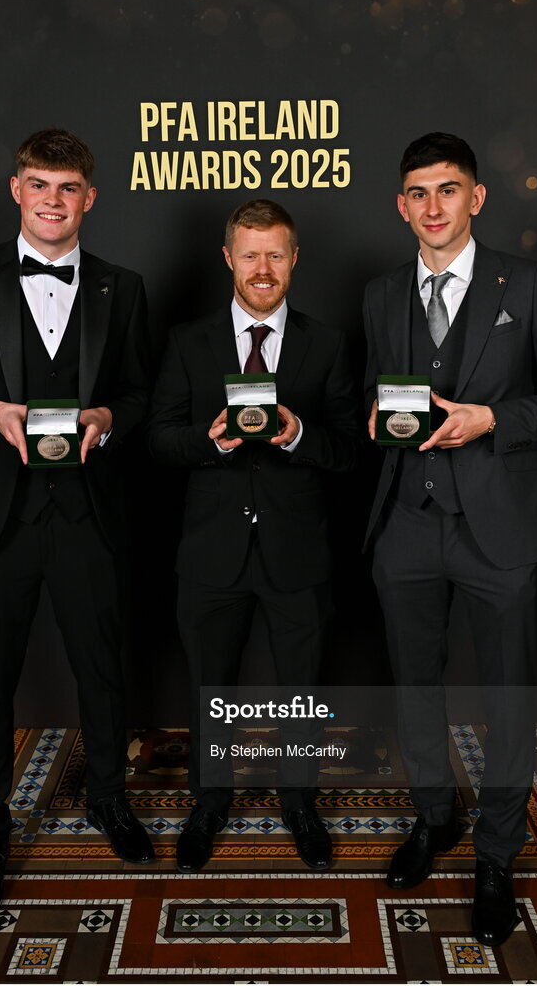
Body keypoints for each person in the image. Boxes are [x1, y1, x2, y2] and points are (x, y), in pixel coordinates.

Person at [0, 128, 154, 921]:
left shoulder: (124, 287)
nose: (54, 200)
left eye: (69, 187)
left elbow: (145, 397)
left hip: (87, 515)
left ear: (91, 197)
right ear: (17, 190)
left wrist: (110, 417)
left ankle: (109, 803)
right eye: (39, 185)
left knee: (104, 675)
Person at [363, 132, 537, 947]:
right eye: (418, 194)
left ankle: (496, 854)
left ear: (477, 197)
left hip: (500, 533)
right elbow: (379, 393)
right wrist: (374, 416)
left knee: (506, 698)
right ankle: (435, 819)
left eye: (449, 190)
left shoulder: (528, 285)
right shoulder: (380, 292)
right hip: (406, 525)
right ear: (401, 205)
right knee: (413, 688)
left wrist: (494, 418)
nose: (433, 207)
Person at [148, 199, 361, 873]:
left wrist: (298, 433)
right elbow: (157, 439)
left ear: (294, 258)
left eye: (275, 254)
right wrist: (206, 441)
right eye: (250, 254)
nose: (262, 269)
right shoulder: (189, 341)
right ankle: (210, 804)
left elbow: (352, 450)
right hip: (210, 551)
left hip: (297, 552)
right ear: (228, 258)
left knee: (300, 687)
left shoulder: (326, 344)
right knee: (211, 686)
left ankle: (299, 804)